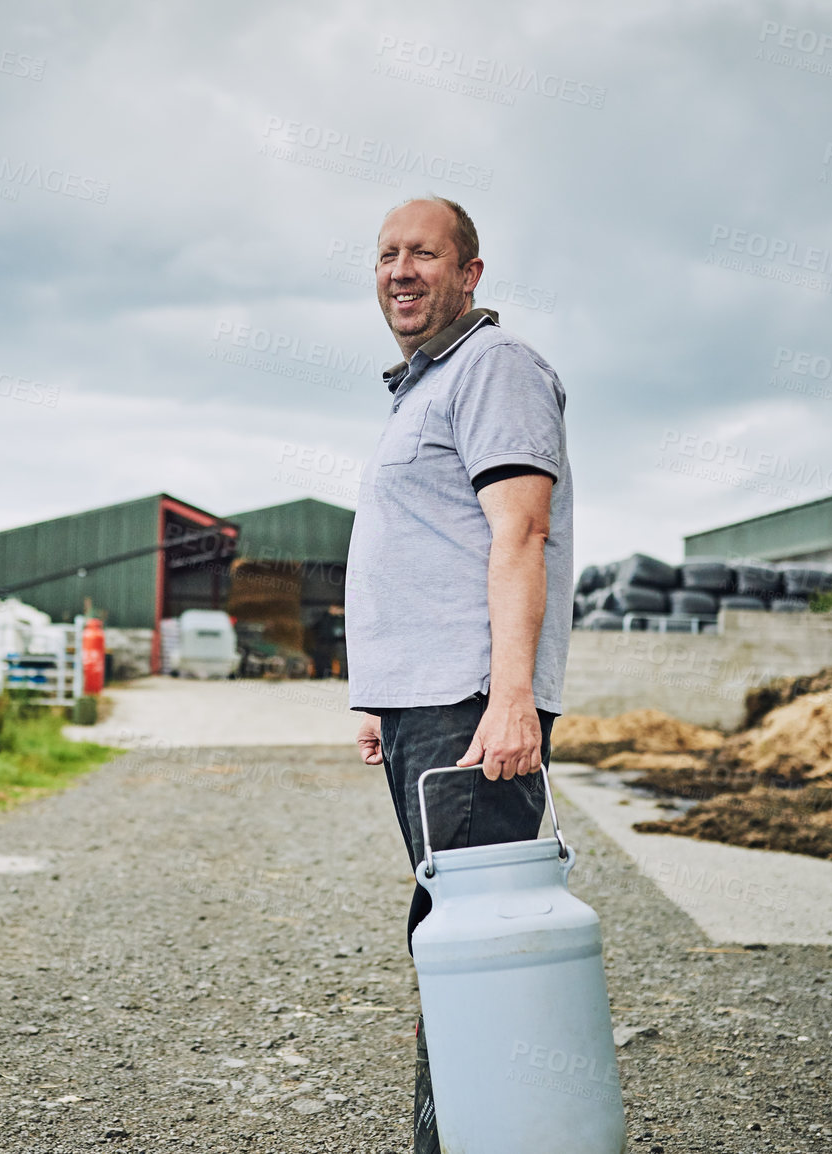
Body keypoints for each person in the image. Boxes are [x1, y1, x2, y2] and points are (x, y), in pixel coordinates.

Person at [344, 196, 573, 1154]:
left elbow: (522, 531)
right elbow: (423, 545)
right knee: (450, 936)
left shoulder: (495, 368)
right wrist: (377, 695)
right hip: (423, 704)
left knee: (476, 944)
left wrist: (511, 698)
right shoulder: (422, 389)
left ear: (470, 273)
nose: (401, 270)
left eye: (424, 254)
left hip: (472, 707)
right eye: (387, 254)